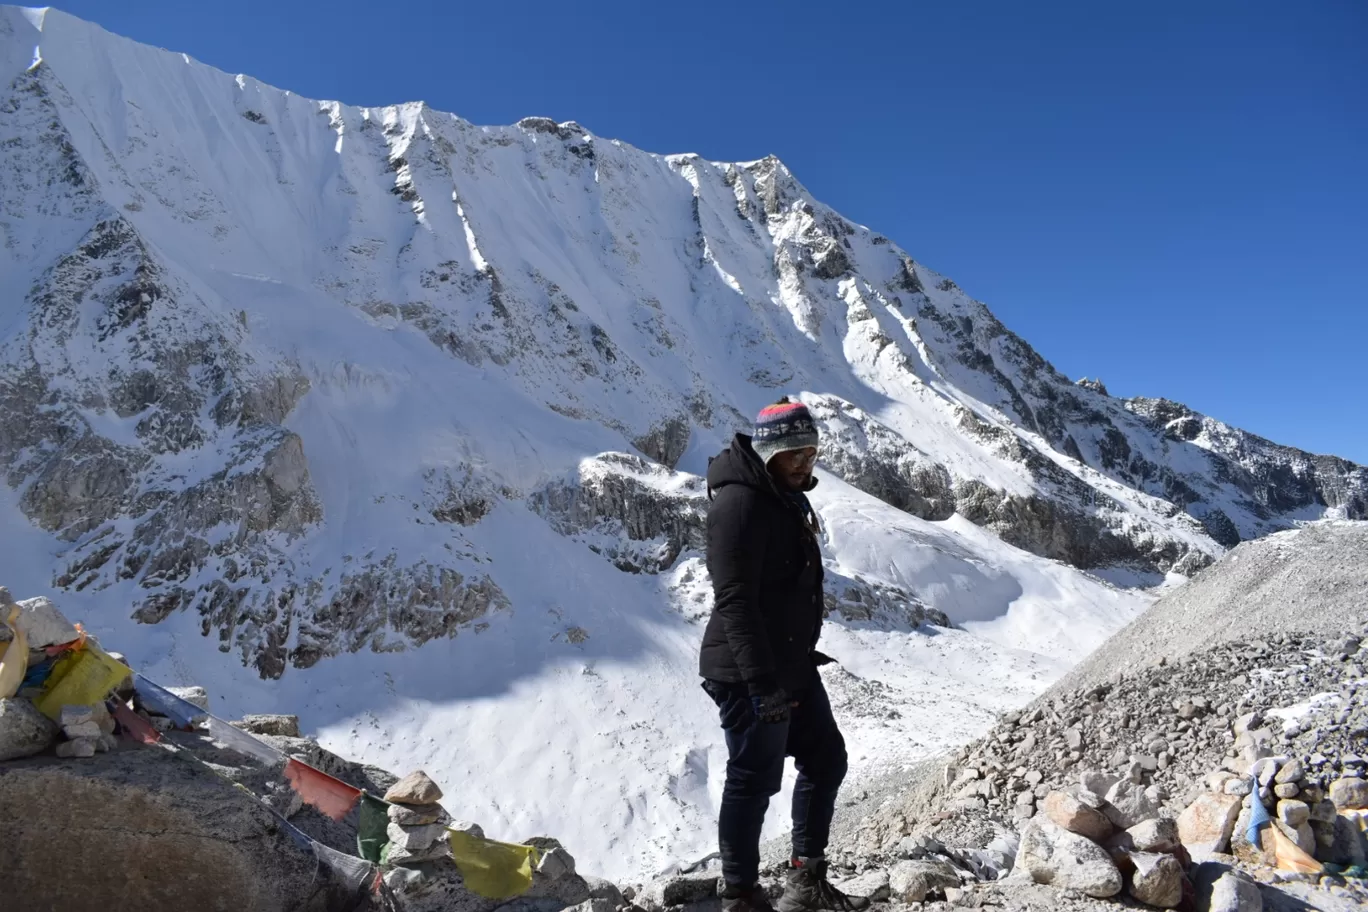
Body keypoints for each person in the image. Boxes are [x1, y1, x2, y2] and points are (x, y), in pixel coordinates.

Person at [699, 398, 868, 912]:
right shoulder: (740, 504)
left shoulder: (781, 495)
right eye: (793, 453)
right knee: (753, 778)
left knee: (825, 758)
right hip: (750, 671)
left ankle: (806, 881)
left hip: (790, 663)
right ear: (769, 450)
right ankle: (740, 895)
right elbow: (735, 601)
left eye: (811, 452)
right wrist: (761, 684)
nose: (803, 463)